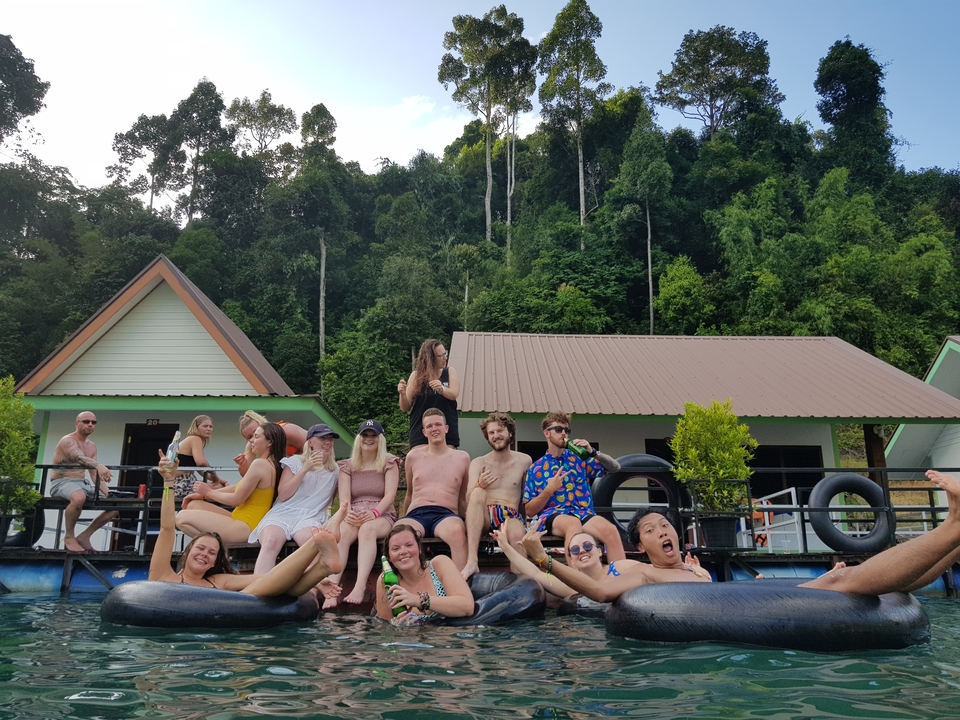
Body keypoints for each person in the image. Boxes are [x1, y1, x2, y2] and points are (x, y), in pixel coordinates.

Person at [523, 469, 960, 603]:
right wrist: (543, 558)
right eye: (651, 530)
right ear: (641, 546)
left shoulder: (690, 567)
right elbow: (600, 592)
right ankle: (951, 529)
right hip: (747, 606)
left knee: (876, 585)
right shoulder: (636, 570)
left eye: (665, 524)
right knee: (844, 581)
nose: (663, 531)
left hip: (749, 595)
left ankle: (953, 540)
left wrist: (695, 573)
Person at [150, 454, 343, 599]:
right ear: (187, 552)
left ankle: (321, 565)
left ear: (214, 562)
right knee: (259, 589)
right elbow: (167, 528)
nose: (204, 554)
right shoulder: (164, 575)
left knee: (262, 586)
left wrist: (315, 584)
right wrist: (168, 481)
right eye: (201, 548)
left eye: (211, 553)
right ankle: (319, 562)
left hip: (216, 621)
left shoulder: (217, 581)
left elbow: (267, 578)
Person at [523, 411, 626, 563]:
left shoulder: (579, 459)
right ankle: (576, 575)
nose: (563, 433)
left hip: (582, 512)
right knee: (572, 524)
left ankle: (620, 574)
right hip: (554, 516)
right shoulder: (536, 468)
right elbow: (529, 511)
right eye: (558, 429)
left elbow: (615, 468)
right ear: (547, 433)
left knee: (610, 530)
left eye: (567, 430)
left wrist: (593, 452)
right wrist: (549, 490)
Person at [325, 419, 400, 608]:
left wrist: (375, 512)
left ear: (380, 439)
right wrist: (347, 513)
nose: (369, 438)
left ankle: (359, 587)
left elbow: (390, 495)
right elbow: (344, 497)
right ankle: (331, 590)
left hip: (381, 514)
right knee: (342, 533)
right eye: (365, 435)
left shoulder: (389, 462)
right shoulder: (347, 466)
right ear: (359, 438)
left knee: (367, 530)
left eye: (374, 435)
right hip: (354, 513)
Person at [249, 424, 342, 575]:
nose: (328, 442)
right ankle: (258, 586)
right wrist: (305, 468)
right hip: (283, 513)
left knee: (312, 543)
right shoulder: (295, 462)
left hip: (311, 515)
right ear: (310, 442)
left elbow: (332, 500)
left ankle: (311, 588)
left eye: (330, 439)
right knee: (271, 541)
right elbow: (284, 495)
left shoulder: (335, 470)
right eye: (322, 438)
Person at [176, 422, 284, 544]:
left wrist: (209, 492)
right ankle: (215, 544)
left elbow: (236, 500)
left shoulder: (260, 464)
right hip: (240, 519)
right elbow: (237, 488)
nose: (251, 441)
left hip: (245, 526)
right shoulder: (270, 463)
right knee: (193, 504)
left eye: (256, 437)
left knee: (181, 518)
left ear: (269, 442)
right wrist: (202, 495)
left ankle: (216, 547)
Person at [460, 412, 531, 579]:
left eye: (500, 431)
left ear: (510, 433)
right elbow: (469, 499)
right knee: (478, 492)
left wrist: (525, 523)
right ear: (487, 437)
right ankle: (472, 562)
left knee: (517, 534)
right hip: (482, 514)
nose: (496, 436)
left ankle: (521, 581)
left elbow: (526, 496)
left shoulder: (525, 461)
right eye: (491, 433)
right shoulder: (478, 462)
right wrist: (480, 485)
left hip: (509, 513)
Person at [398, 408, 471, 569]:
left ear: (446, 428)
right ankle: (405, 582)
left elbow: (462, 497)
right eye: (429, 426)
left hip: (446, 514)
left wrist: (468, 522)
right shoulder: (413, 457)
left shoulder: (462, 458)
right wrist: (404, 517)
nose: (434, 429)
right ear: (424, 432)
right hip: (417, 513)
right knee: (399, 533)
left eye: (438, 424)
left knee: (457, 532)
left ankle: (461, 582)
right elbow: (409, 494)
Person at [495, 527, 640, 599]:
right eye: (575, 550)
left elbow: (648, 573)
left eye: (587, 546)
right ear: (572, 560)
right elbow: (535, 573)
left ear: (599, 551)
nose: (582, 551)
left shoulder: (621, 567)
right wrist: (505, 546)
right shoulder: (572, 586)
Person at [375, 523, 474, 624]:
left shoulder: (440, 564)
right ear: (389, 557)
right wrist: (398, 626)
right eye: (396, 548)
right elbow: (384, 626)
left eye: (409, 545)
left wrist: (419, 600)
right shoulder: (386, 580)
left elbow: (467, 606)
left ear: (419, 548)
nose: (403, 551)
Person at [49, 411, 117, 553]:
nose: (90, 424)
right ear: (77, 423)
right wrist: (98, 465)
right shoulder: (67, 441)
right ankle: (69, 537)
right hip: (61, 482)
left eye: (93, 422)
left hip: (82, 483)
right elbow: (79, 457)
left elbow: (93, 473)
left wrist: (108, 493)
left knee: (115, 505)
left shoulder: (92, 446)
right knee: (79, 497)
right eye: (86, 421)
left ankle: (85, 536)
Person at [398, 339, 460, 450]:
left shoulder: (450, 372)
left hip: (446, 434)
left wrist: (442, 389)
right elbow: (405, 407)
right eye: (440, 356)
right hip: (420, 434)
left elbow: (454, 394)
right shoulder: (416, 376)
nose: (445, 358)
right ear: (430, 359)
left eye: (445, 353)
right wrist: (402, 394)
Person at [234, 411, 307, 477]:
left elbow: (311, 449)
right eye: (249, 437)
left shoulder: (285, 431)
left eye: (256, 431)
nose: (254, 437)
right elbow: (246, 475)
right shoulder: (252, 444)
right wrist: (242, 464)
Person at [173, 415, 227, 499]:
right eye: (205, 426)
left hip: (182, 482)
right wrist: (214, 473)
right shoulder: (195, 439)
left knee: (221, 486)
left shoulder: (193, 440)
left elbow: (201, 470)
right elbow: (201, 462)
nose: (209, 429)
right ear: (196, 427)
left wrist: (220, 480)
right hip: (181, 483)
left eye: (211, 426)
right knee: (223, 489)